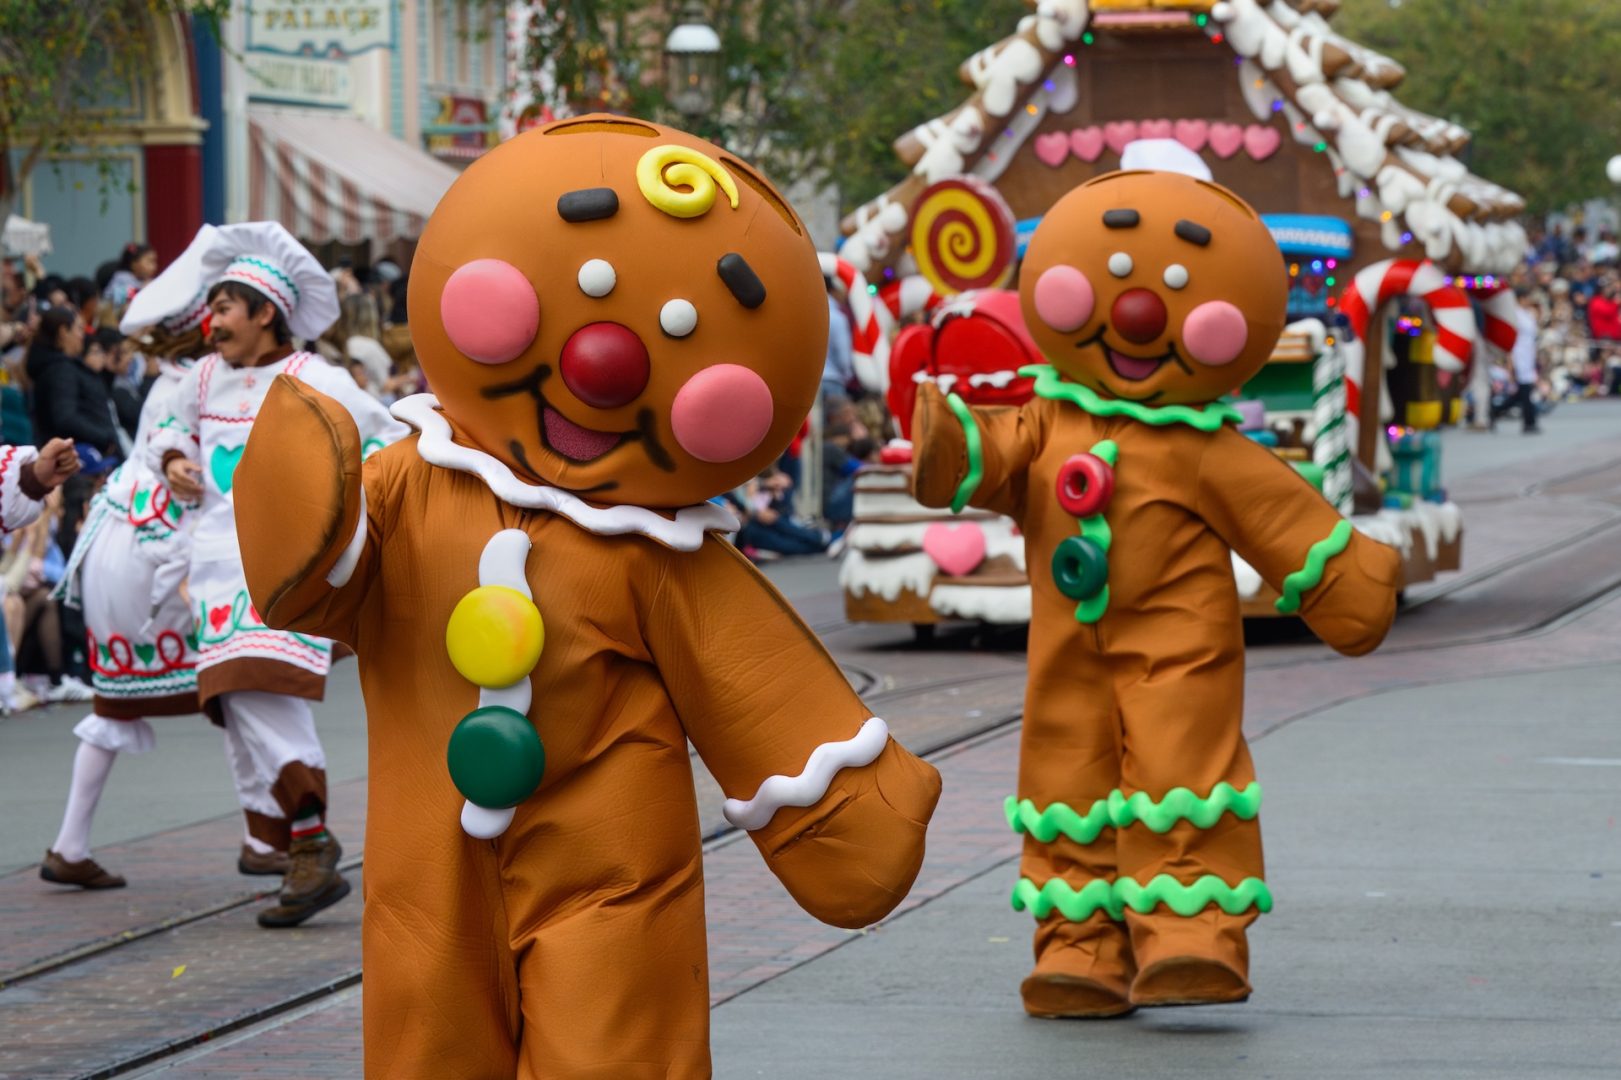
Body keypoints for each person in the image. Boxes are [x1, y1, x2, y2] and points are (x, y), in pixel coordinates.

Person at [146, 222, 408, 927]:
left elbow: (383, 438)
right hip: (212, 574)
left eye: (227, 306)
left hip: (284, 573)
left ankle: (308, 840)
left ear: (267, 311)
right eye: (213, 307)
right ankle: (280, 839)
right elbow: (163, 430)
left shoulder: (313, 380)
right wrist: (172, 457)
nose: (214, 321)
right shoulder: (201, 379)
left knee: (252, 692)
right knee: (239, 702)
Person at [38, 225, 218, 891]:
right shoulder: (201, 382)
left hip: (119, 543)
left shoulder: (170, 379)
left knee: (120, 704)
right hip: (156, 553)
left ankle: (69, 843)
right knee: (239, 688)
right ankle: (280, 833)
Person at [1494, 291, 1543, 434]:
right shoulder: (1515, 315)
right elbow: (1511, 339)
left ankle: (1495, 411)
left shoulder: (1528, 314)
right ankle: (1529, 422)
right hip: (1519, 355)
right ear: (1521, 298)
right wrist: (1510, 360)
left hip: (1528, 356)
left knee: (1522, 392)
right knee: (1525, 391)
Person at [821, 275, 856, 405]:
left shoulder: (809, 313)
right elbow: (844, 358)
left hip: (811, 385)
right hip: (834, 383)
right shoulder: (838, 317)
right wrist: (847, 375)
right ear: (835, 290)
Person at [102, 243, 157, 308]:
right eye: (149, 262)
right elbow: (117, 296)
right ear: (134, 264)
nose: (154, 267)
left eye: (155, 262)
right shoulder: (122, 277)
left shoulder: (142, 280)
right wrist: (142, 290)